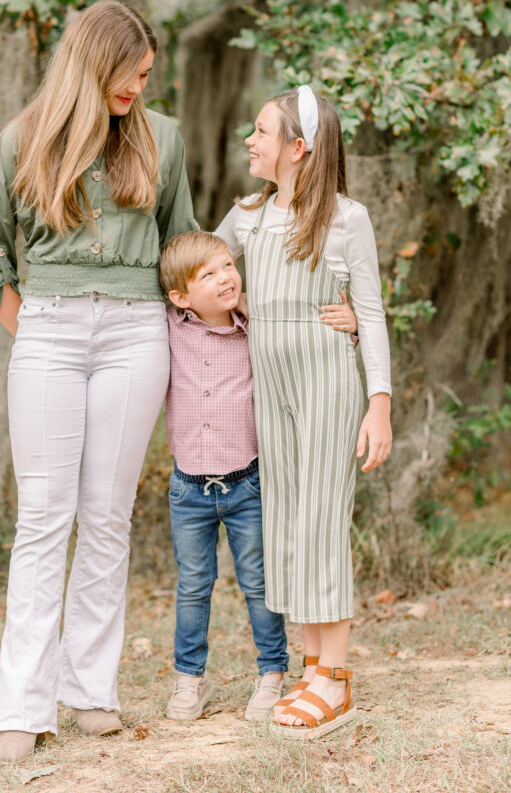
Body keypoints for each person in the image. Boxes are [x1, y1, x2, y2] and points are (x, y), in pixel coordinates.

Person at [0, 0, 197, 762]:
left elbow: (179, 250)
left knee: (105, 516)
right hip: (50, 332)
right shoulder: (21, 139)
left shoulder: (162, 138)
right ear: (94, 60)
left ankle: (90, 689)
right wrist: (29, 328)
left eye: (147, 74)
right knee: (43, 519)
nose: (139, 84)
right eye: (131, 71)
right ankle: (20, 709)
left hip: (137, 333)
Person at [215, 85, 392, 739]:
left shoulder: (347, 218)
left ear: (298, 148)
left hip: (325, 382)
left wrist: (379, 403)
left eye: (261, 132)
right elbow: (205, 272)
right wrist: (228, 309)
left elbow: (368, 312)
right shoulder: (247, 216)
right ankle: (312, 665)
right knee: (288, 522)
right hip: (272, 389)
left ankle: (335, 684)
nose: (250, 142)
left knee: (321, 523)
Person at [157, 230, 358, 723]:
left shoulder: (257, 323)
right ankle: (190, 680)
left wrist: (352, 325)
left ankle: (272, 674)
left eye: (228, 265)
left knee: (259, 583)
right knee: (192, 586)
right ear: (180, 296)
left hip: (248, 484)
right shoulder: (167, 326)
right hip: (188, 488)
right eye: (208, 274)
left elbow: (305, 329)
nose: (225, 277)